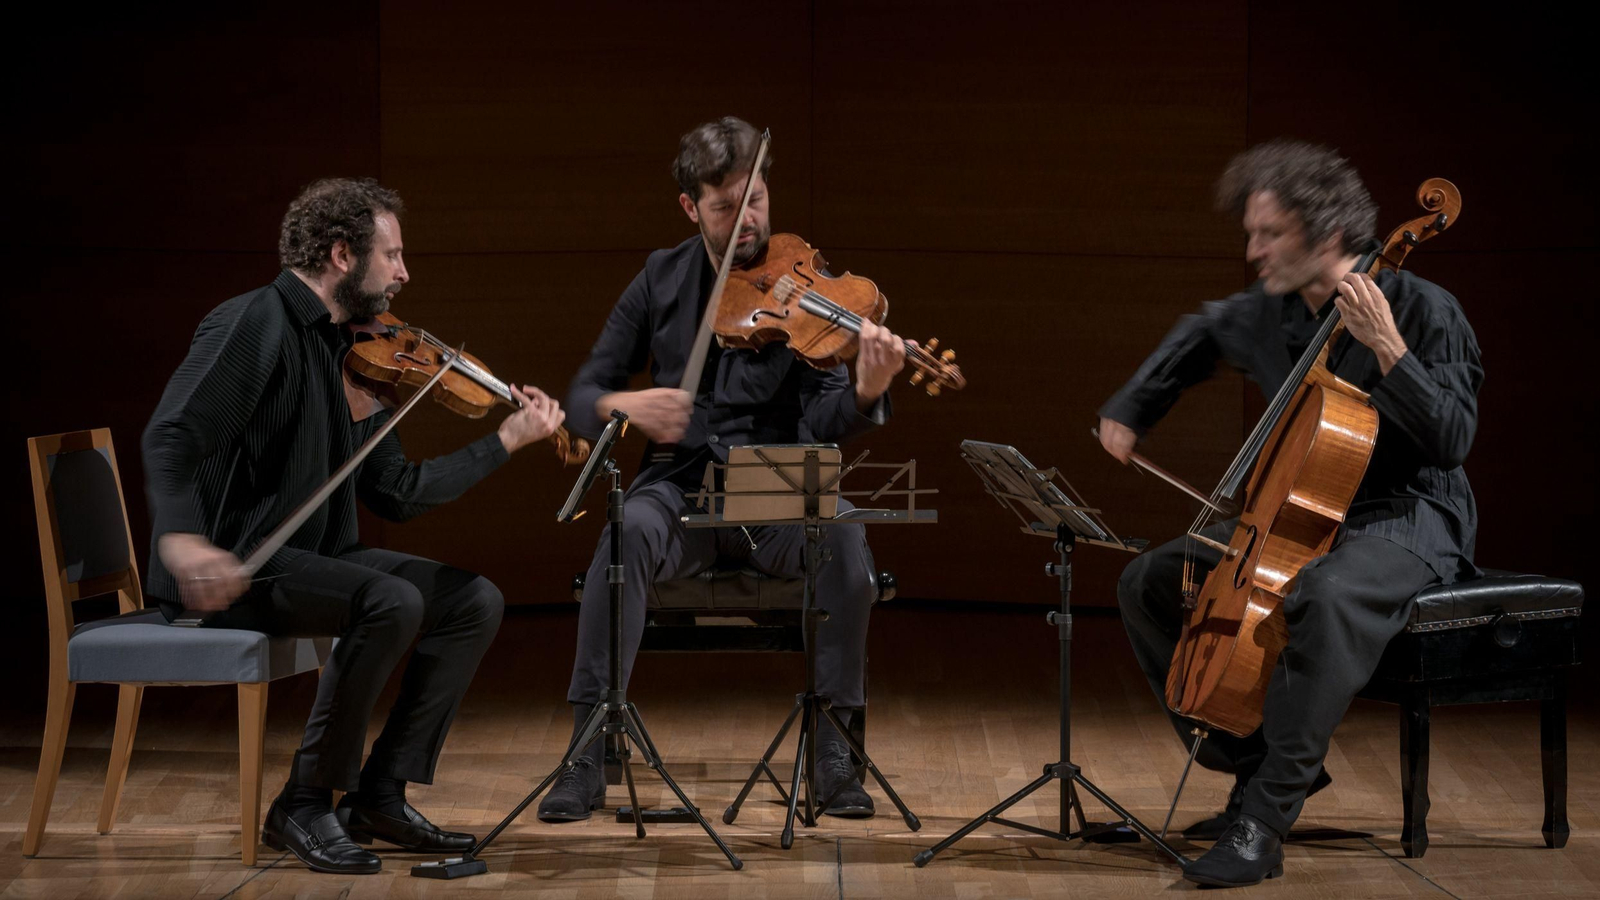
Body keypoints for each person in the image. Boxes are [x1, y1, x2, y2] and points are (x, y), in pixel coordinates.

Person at [143, 177, 565, 874]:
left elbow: (397, 493)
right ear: (342, 254)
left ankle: (377, 795)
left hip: (311, 558)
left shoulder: (350, 350)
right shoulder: (254, 322)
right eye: (392, 255)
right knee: (390, 599)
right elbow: (172, 435)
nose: (404, 273)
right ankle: (304, 802)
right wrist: (182, 537)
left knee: (472, 599)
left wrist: (505, 442)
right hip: (237, 564)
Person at [1099, 140, 1482, 888]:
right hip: (1297, 518)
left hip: (1403, 515)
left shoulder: (1425, 309)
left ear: (1327, 233)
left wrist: (1391, 352)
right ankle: (1262, 767)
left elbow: (1453, 439)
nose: (1253, 252)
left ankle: (1262, 824)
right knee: (1151, 580)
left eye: (1269, 234)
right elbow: (1203, 329)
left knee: (1328, 595)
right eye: (1251, 233)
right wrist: (1131, 410)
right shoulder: (1272, 312)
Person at [538, 117, 909, 823]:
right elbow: (583, 396)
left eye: (757, 201)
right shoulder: (660, 277)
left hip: (778, 497)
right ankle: (587, 751)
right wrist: (628, 403)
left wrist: (865, 388)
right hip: (678, 494)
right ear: (690, 207)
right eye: (724, 208)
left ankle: (832, 748)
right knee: (622, 538)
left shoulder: (803, 280)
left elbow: (830, 419)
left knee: (849, 541)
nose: (748, 222)